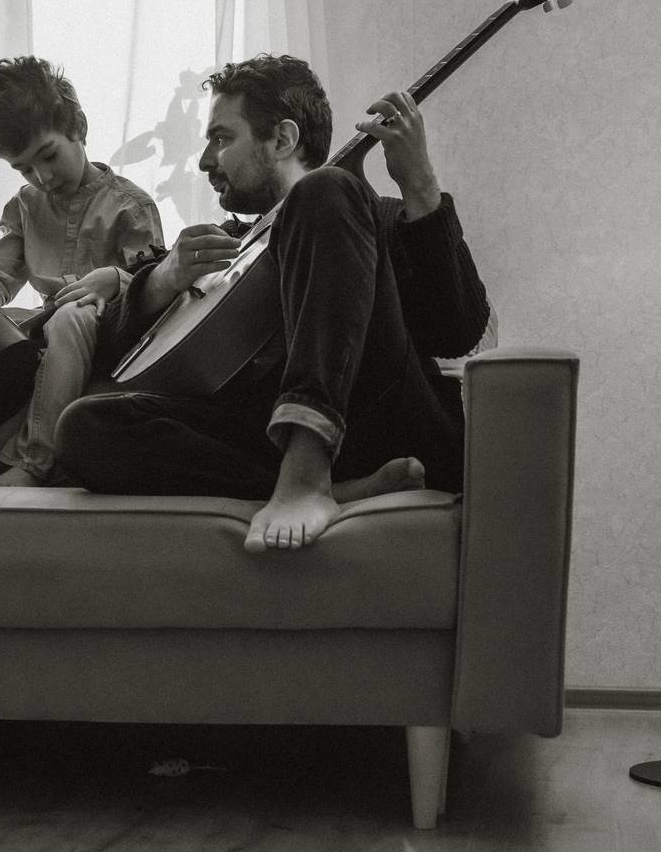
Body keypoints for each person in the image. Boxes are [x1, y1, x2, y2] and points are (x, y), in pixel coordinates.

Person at [54, 53, 491, 551]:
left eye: (222, 139)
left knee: (326, 189)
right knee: (83, 427)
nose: (204, 161)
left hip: (373, 423)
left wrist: (420, 186)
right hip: (262, 437)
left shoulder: (373, 215)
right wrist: (163, 279)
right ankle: (326, 488)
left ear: (282, 139)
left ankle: (309, 463)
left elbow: (457, 331)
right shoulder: (224, 245)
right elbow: (112, 355)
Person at [0, 56, 164, 486]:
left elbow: (155, 283)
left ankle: (34, 464)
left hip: (111, 329)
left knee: (72, 316)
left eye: (49, 156)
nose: (42, 176)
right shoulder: (25, 205)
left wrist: (115, 280)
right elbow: (0, 267)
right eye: (23, 168)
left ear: (78, 128)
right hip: (50, 326)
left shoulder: (130, 207)